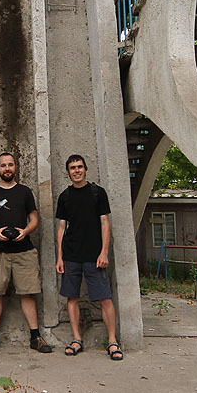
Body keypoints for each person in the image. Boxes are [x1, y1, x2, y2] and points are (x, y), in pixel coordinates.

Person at [0, 152, 53, 353]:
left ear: (15, 167)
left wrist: (25, 231)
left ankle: (35, 337)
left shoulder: (25, 192)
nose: (7, 168)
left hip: (24, 251)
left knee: (28, 293)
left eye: (10, 164)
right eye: (3, 165)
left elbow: (35, 219)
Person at [55, 154, 122, 360]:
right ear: (68, 172)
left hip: (95, 257)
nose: (76, 170)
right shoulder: (64, 196)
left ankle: (112, 341)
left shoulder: (97, 193)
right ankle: (76, 339)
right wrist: (59, 257)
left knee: (105, 298)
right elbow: (61, 227)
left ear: (85, 169)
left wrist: (104, 252)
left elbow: (105, 223)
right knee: (71, 298)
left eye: (79, 167)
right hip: (71, 256)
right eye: (72, 168)